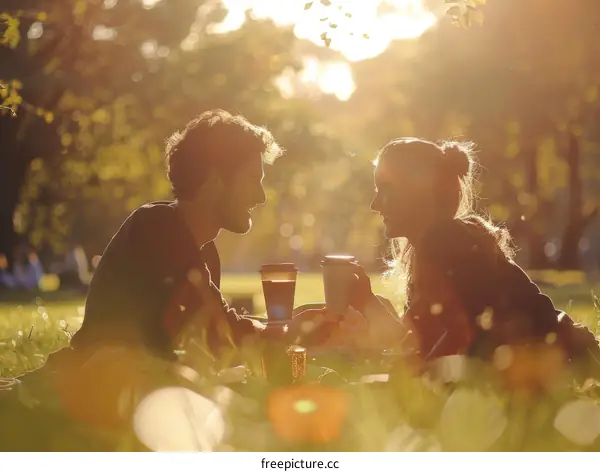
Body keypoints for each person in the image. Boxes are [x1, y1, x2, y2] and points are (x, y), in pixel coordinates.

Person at [44, 110, 283, 433]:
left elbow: (207, 341)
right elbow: (219, 331)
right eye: (253, 180)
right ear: (214, 181)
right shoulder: (157, 227)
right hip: (103, 379)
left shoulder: (203, 250)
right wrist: (287, 332)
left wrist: (291, 327)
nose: (261, 197)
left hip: (146, 388)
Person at [302, 138, 600, 388]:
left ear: (418, 192)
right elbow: (423, 341)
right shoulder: (438, 244)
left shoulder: (444, 241)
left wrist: (398, 382)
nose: (375, 204)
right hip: (555, 365)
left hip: (561, 370)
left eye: (385, 188)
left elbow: (457, 340)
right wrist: (367, 301)